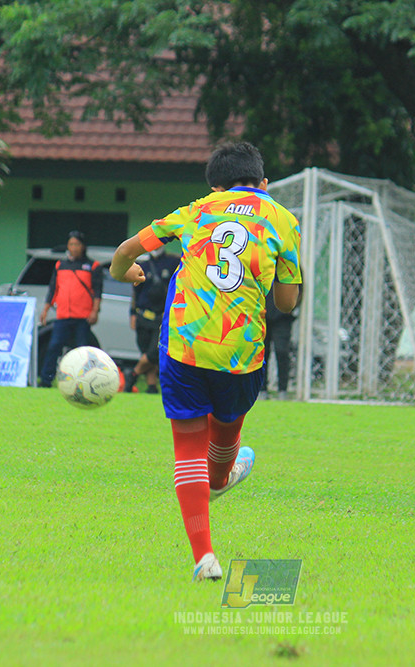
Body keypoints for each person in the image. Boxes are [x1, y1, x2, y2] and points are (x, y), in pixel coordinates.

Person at [110, 141, 302, 582]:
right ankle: (218, 480)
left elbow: (124, 253)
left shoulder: (195, 210)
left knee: (190, 448)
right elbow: (287, 302)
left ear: (215, 186)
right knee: (224, 439)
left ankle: (205, 556)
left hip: (186, 345)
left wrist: (129, 273)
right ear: (264, 184)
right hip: (242, 352)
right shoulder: (282, 219)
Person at [37, 230, 103, 388]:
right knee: (54, 346)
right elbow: (53, 289)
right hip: (63, 315)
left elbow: (97, 291)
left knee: (82, 350)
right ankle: (46, 380)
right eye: (71, 244)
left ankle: (82, 382)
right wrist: (45, 309)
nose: (74, 247)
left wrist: (95, 311)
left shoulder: (93, 266)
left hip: (83, 316)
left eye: (77, 244)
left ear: (83, 246)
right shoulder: (60, 265)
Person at [124, 246, 180, 394]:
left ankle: (133, 374)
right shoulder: (143, 265)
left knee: (154, 352)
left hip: (162, 317)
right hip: (143, 315)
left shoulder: (173, 262)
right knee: (146, 353)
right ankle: (151, 387)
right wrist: (133, 314)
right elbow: (135, 291)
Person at [262, 282, 296, 400]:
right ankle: (262, 390)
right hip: (262, 316)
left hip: (283, 318)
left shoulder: (290, 264)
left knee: (282, 351)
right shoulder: (261, 263)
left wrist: (291, 307)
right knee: (262, 353)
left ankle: (283, 390)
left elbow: (298, 288)